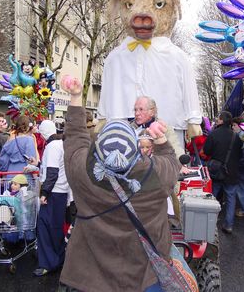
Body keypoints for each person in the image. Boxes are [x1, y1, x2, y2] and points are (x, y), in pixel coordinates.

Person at [58, 75, 182, 292]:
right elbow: (172, 164)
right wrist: (161, 141)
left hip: (90, 278)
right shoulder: (154, 176)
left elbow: (75, 139)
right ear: (135, 151)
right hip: (144, 277)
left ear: (96, 152)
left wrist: (76, 97)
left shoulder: (82, 172)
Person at [33, 120, 71, 277]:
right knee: (54, 228)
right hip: (60, 192)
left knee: (46, 228)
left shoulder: (53, 146)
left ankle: (49, 263)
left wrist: (44, 193)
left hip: (54, 193)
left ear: (42, 133)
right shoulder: (60, 145)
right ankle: (57, 259)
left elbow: (52, 173)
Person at [203, 111, 243, 234]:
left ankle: (210, 224)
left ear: (220, 120)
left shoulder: (214, 134)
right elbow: (240, 154)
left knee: (213, 196)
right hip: (232, 172)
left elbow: (206, 151)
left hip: (217, 171)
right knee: (231, 198)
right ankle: (228, 225)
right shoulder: (236, 136)